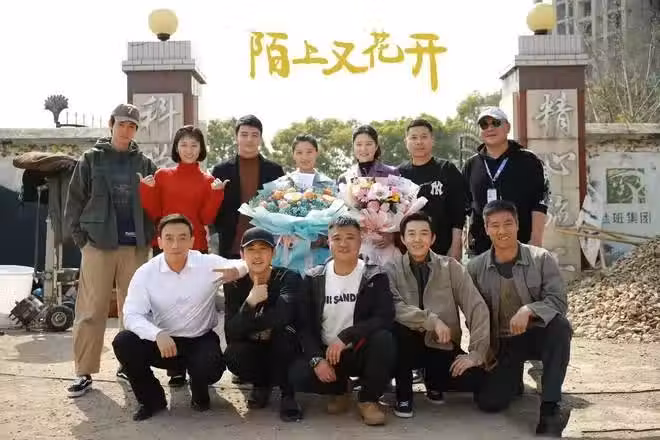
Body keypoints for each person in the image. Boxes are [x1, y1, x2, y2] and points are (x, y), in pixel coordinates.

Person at [112, 214, 247, 421]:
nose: (176, 245)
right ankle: (152, 400)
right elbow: (131, 314)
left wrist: (236, 270)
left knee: (210, 367)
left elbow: (244, 263)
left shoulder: (206, 264)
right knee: (124, 342)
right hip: (164, 342)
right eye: (169, 238)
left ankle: (199, 388)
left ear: (192, 241)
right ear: (159, 242)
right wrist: (156, 334)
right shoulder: (146, 272)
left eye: (182, 238)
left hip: (199, 339)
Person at [64, 104, 157, 397]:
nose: (126, 130)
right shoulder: (90, 159)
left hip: (135, 247)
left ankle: (128, 365)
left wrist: (150, 237)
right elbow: (74, 201)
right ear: (111, 124)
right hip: (98, 244)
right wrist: (81, 240)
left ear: (136, 130)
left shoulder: (145, 164)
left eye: (132, 126)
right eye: (122, 124)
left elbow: (156, 203)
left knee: (133, 311)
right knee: (91, 309)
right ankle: (84, 371)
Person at [467, 200, 572, 436]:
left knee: (560, 326)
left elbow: (558, 302)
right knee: (489, 402)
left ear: (517, 225)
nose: (502, 231)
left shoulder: (541, 258)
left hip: (536, 335)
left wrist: (529, 310)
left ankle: (551, 407)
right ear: (486, 229)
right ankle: (513, 380)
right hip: (502, 344)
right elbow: (474, 316)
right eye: (495, 225)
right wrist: (481, 352)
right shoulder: (475, 268)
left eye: (508, 224)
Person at [139, 125, 228, 387]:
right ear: (176, 148)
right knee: (166, 306)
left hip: (196, 248)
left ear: (201, 149)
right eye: (184, 144)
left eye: (194, 145)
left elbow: (207, 218)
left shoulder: (209, 180)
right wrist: (147, 190)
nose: (189, 150)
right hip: (166, 247)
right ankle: (174, 368)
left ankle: (198, 364)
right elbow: (155, 213)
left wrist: (217, 194)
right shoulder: (162, 176)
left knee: (196, 306)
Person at [289, 216, 395, 426]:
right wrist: (316, 359)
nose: (343, 244)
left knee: (385, 340)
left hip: (361, 351)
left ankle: (368, 399)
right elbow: (304, 325)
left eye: (350, 237)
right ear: (328, 242)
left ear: (360, 240)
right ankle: (339, 391)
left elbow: (384, 317)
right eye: (337, 238)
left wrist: (347, 336)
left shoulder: (375, 275)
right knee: (298, 373)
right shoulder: (314, 278)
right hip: (329, 354)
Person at [385, 212, 490, 418]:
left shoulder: (451, 267)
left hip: (441, 344)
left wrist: (476, 353)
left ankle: (434, 382)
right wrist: (431, 320)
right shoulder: (391, 269)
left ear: (432, 238)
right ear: (403, 239)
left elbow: (476, 307)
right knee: (399, 331)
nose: (417, 239)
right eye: (411, 234)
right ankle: (404, 396)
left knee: (480, 381)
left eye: (424, 233)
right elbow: (394, 306)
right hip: (405, 347)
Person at [223, 227, 304, 422]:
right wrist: (250, 303)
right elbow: (230, 332)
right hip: (254, 347)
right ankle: (261, 384)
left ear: (273, 253)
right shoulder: (234, 284)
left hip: (284, 344)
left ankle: (288, 394)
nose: (257, 255)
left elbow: (284, 316)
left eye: (263, 249)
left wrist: (250, 326)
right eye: (251, 249)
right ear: (242, 254)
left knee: (284, 336)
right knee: (234, 354)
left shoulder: (288, 278)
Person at [462, 107, 549, 257]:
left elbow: (540, 202)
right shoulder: (471, 164)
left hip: (521, 248)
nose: (490, 128)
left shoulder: (529, 160)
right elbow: (465, 205)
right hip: (481, 250)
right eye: (484, 125)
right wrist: (466, 237)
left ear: (507, 127)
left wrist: (535, 241)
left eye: (496, 123)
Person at [211, 115, 284, 259]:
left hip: (266, 245)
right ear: (236, 137)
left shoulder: (275, 171)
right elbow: (214, 208)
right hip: (231, 245)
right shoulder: (221, 170)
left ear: (260, 138)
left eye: (254, 135)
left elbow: (281, 207)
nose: (249, 139)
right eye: (244, 135)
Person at [398, 119, 468, 260]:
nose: (419, 142)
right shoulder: (399, 173)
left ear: (432, 140)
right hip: (407, 251)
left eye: (424, 137)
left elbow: (458, 212)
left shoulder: (447, 169)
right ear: (406, 142)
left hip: (442, 250)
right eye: (413, 137)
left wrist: (456, 245)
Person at [338, 125, 400, 264]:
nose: (363, 149)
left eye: (368, 144)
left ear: (376, 146)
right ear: (353, 147)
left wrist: (391, 235)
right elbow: (341, 213)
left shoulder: (391, 173)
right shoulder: (345, 177)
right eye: (359, 144)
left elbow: (398, 208)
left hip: (383, 242)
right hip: (356, 243)